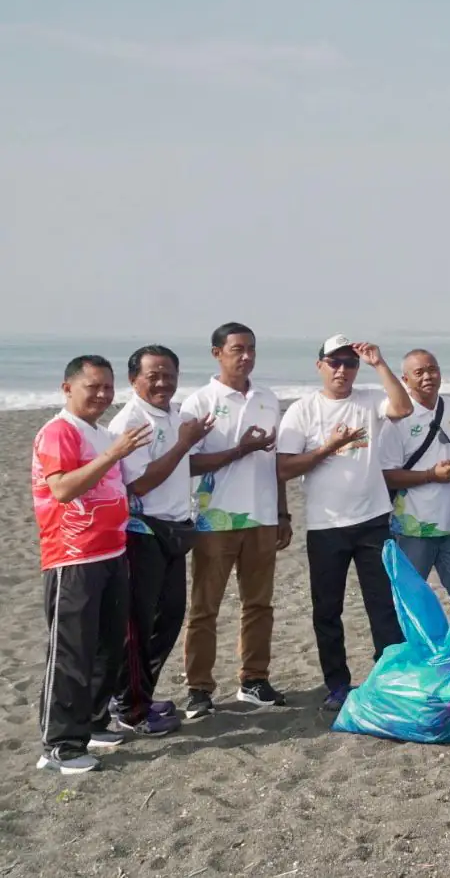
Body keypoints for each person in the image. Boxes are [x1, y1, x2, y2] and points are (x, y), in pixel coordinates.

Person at [277, 335, 410, 711]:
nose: (342, 370)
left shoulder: (369, 400)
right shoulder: (303, 410)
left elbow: (402, 407)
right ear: (319, 365)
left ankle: (389, 677)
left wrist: (379, 364)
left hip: (372, 520)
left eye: (349, 363)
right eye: (334, 362)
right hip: (325, 525)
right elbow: (284, 468)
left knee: (383, 606)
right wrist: (328, 448)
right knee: (327, 609)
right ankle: (337, 683)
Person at [32, 356, 145, 774]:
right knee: (71, 653)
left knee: (107, 647)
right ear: (67, 389)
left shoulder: (97, 433)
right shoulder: (59, 431)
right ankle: (60, 744)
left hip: (111, 552)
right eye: (92, 387)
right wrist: (114, 453)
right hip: (72, 557)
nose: (101, 395)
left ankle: (94, 722)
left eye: (107, 388)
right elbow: (61, 488)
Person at [179, 322, 287, 720]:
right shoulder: (198, 403)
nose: (246, 356)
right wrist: (240, 450)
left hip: (260, 517)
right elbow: (186, 463)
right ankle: (199, 690)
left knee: (259, 605)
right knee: (204, 608)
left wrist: (282, 511)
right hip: (214, 520)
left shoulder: (268, 398)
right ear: (216, 353)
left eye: (252, 349)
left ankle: (254, 681)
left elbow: (275, 461)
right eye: (237, 349)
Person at [105, 345, 212, 737]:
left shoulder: (177, 415)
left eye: (169, 374)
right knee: (138, 625)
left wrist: (240, 449)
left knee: (168, 619)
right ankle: (130, 709)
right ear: (134, 379)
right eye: (153, 375)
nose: (163, 382)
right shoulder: (130, 421)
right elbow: (141, 481)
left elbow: (188, 464)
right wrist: (184, 442)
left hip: (175, 530)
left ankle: (138, 696)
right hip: (141, 532)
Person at [380, 349, 450, 615]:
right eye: (419, 372)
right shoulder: (396, 420)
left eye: (432, 369)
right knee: (410, 603)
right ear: (405, 379)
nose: (427, 377)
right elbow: (387, 476)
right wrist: (430, 475)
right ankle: (417, 655)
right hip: (412, 530)